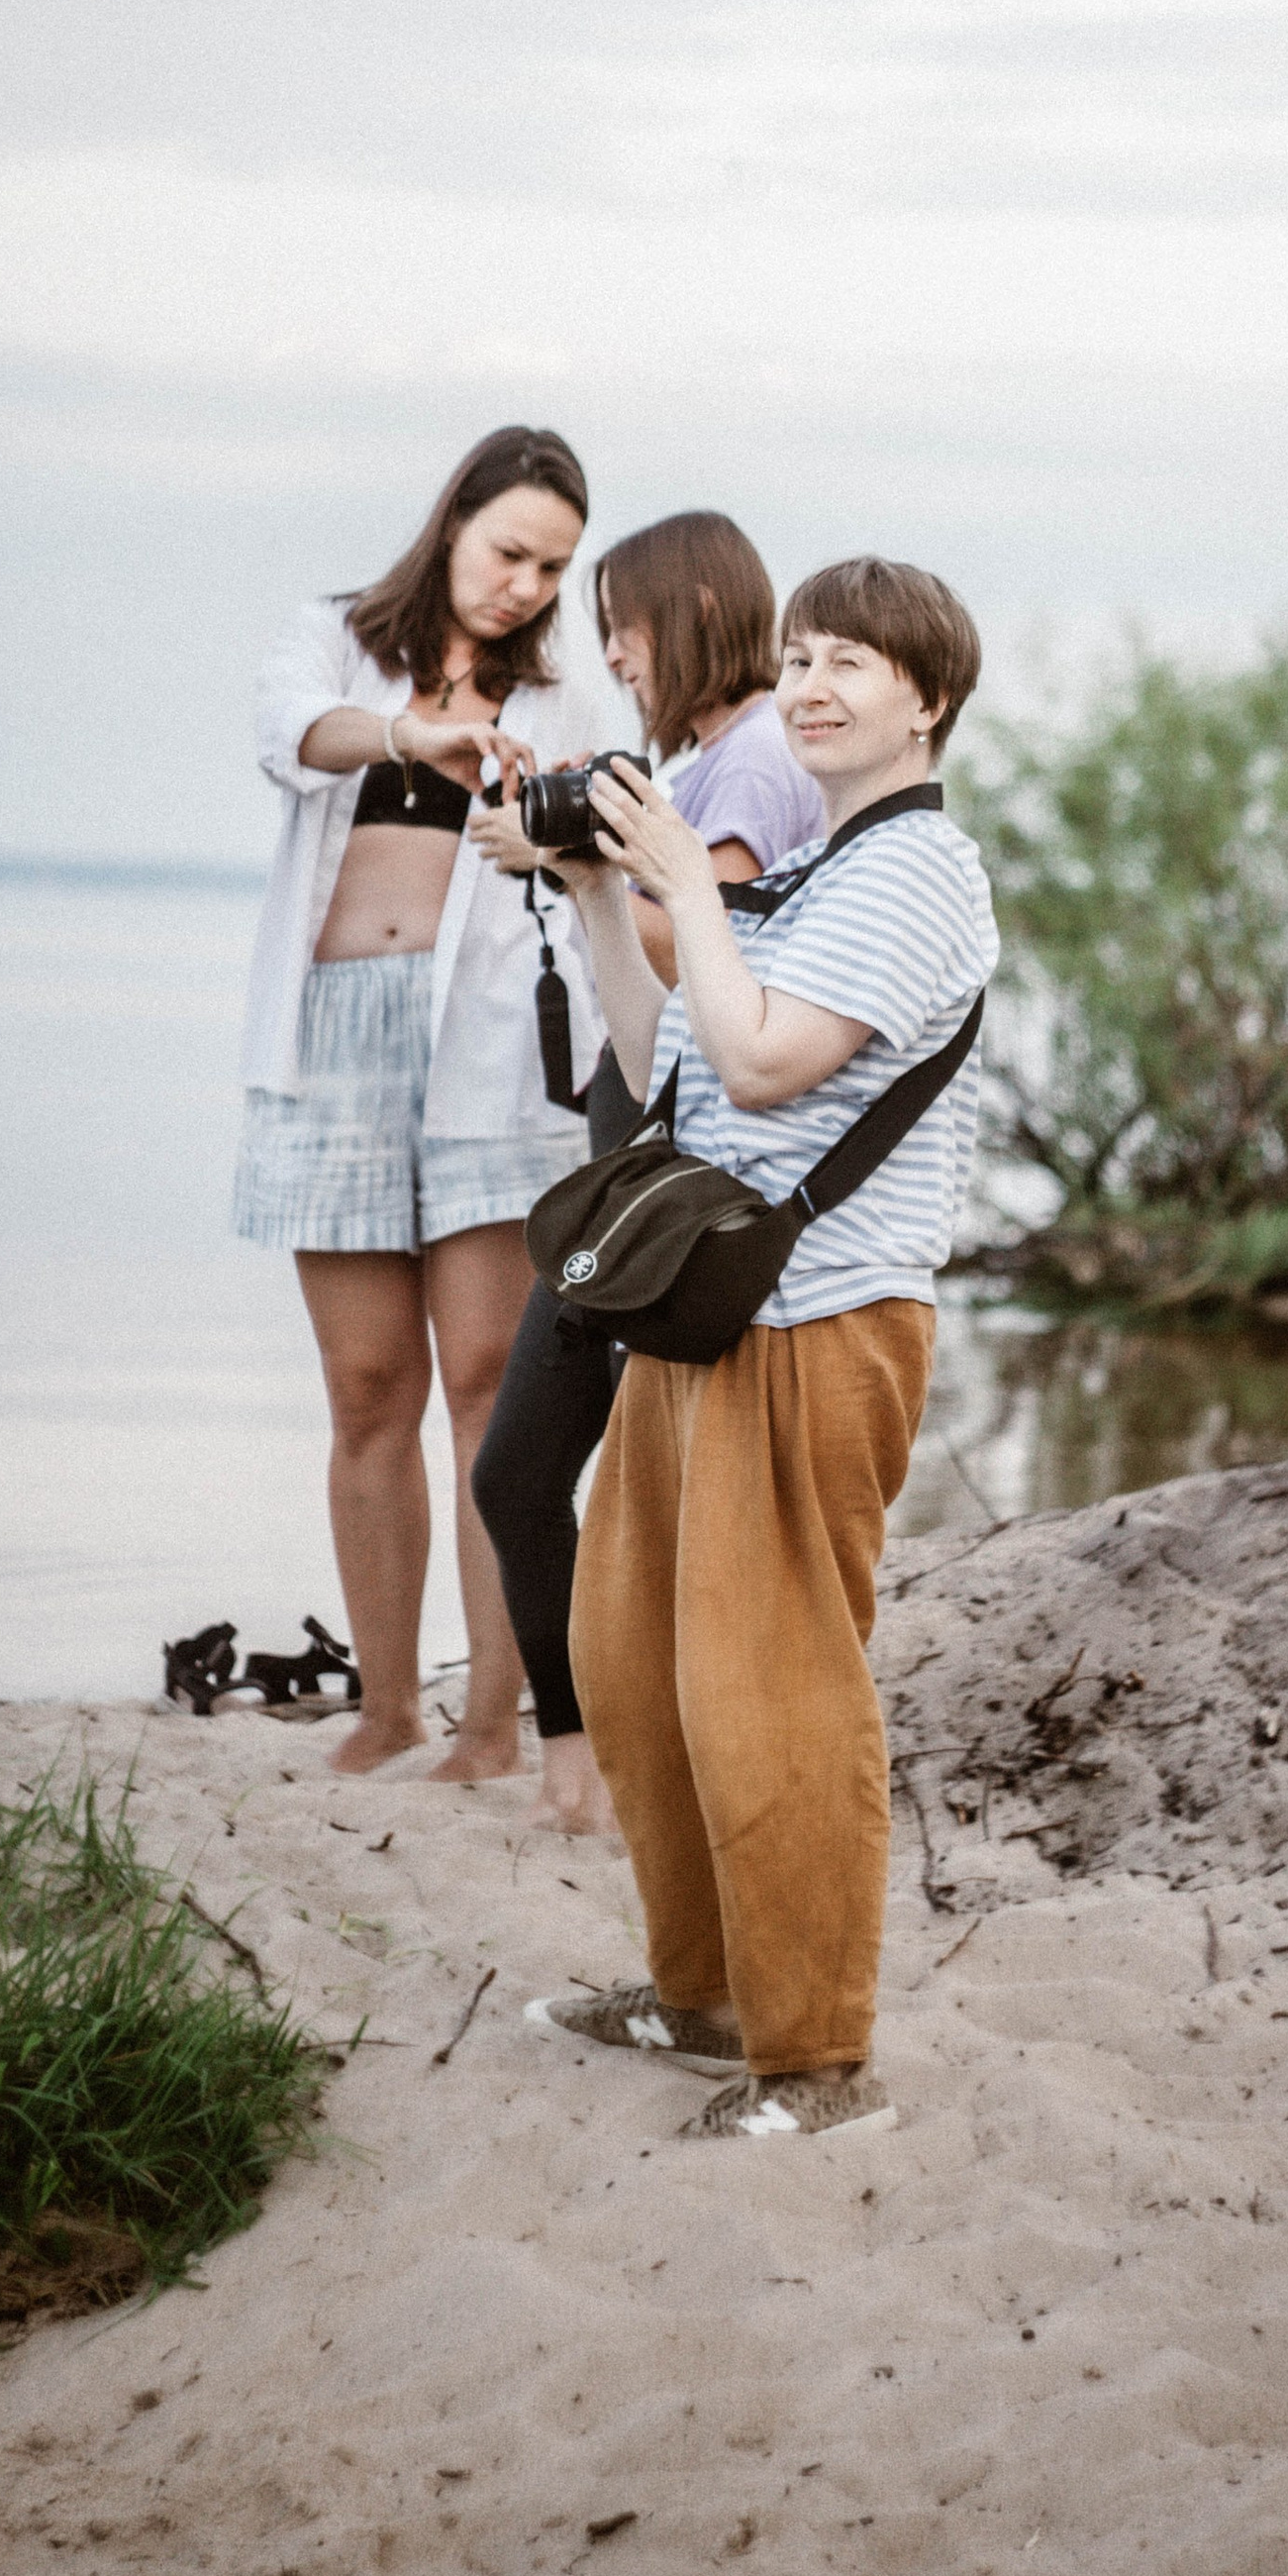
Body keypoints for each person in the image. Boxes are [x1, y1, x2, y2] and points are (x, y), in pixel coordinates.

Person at [524, 556, 997, 2138]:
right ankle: (702, 1995)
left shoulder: (919, 873)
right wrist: (602, 890)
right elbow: (674, 1069)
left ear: (928, 698)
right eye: (795, 658)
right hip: (708, 1310)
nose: (807, 685)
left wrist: (689, 877)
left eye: (848, 661)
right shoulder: (820, 870)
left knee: (774, 1685)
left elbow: (776, 1062)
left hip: (825, 1318)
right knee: (638, 1661)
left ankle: (816, 2054)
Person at [233, 425, 608, 1781]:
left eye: (551, 569)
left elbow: (600, 844)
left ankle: (492, 1723)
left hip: (490, 1060)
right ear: (454, 522)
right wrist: (414, 731)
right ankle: (386, 1705)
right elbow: (289, 738)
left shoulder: (563, 701)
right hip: (332, 1038)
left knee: (489, 1388)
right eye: (509, 551)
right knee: (365, 1387)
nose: (522, 585)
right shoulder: (335, 637)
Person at [468, 511, 824, 1838]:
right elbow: (648, 995)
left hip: (677, 1196)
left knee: (608, 1490)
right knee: (522, 1472)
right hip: (628, 1178)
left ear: (688, 612)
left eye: (623, 621)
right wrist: (579, 864)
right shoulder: (708, 766)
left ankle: (614, 1764)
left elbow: (702, 973)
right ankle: (579, 1751)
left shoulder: (752, 766)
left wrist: (592, 863)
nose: (611, 650)